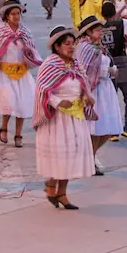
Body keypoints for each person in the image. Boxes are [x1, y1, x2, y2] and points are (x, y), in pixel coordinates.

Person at [34, 25, 96, 209]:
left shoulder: (76, 65)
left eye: (73, 43)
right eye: (67, 44)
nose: (71, 47)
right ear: (57, 47)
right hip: (57, 120)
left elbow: (82, 86)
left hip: (75, 118)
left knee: (73, 154)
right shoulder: (50, 65)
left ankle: (61, 192)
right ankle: (52, 186)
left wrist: (86, 96)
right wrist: (58, 102)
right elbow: (42, 91)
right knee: (61, 155)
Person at [0, 0, 43, 148]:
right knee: (9, 103)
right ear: (6, 16)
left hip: (21, 71)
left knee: (22, 104)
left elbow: (33, 50)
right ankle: (3, 127)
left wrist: (28, 54)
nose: (16, 16)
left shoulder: (25, 32)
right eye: (13, 14)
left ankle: (18, 134)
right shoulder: (0, 31)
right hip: (5, 72)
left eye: (18, 13)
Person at [75, 15, 121, 175]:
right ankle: (89, 160)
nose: (100, 33)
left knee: (108, 129)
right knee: (96, 128)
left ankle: (90, 157)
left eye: (101, 30)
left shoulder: (98, 47)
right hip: (94, 90)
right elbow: (84, 69)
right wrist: (107, 71)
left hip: (105, 89)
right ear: (88, 31)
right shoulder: (85, 48)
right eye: (97, 30)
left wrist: (110, 71)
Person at [100, 1, 127, 140]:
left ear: (102, 14)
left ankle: (112, 132)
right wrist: (125, 14)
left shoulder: (99, 27)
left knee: (111, 99)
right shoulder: (122, 24)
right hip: (123, 62)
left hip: (106, 63)